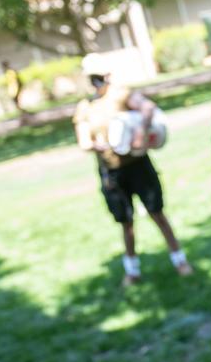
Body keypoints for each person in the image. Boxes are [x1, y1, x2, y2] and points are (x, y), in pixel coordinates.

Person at [73, 54, 192, 287]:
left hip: (137, 165)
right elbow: (84, 141)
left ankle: (180, 260)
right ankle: (132, 271)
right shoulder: (85, 107)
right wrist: (97, 145)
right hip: (111, 171)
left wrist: (140, 134)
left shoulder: (121, 94)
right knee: (126, 222)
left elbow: (148, 108)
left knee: (156, 212)